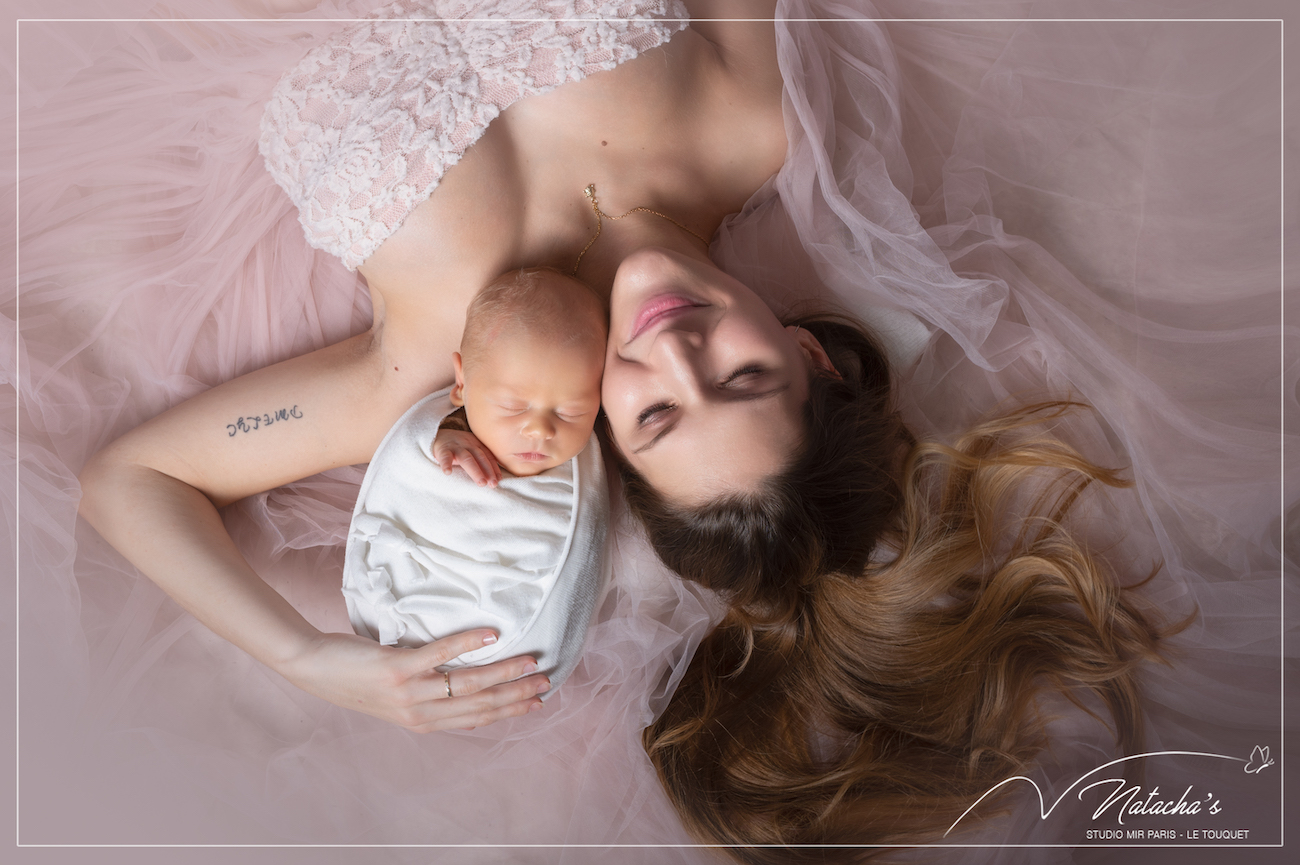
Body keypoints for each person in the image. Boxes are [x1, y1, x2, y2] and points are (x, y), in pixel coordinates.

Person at [13, 0, 1287, 858]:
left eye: (662, 411)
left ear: (608, 440)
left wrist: (304, 660)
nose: (673, 345)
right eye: (741, 377)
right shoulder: (750, 122)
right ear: (802, 352)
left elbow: (133, 477)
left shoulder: (421, 366)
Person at [342, 266, 609, 698]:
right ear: (462, 383)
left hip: (521, 653)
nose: (540, 430)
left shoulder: (586, 461)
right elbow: (419, 450)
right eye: (512, 406)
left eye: (570, 411)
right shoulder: (444, 433)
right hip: (394, 612)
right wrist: (443, 434)